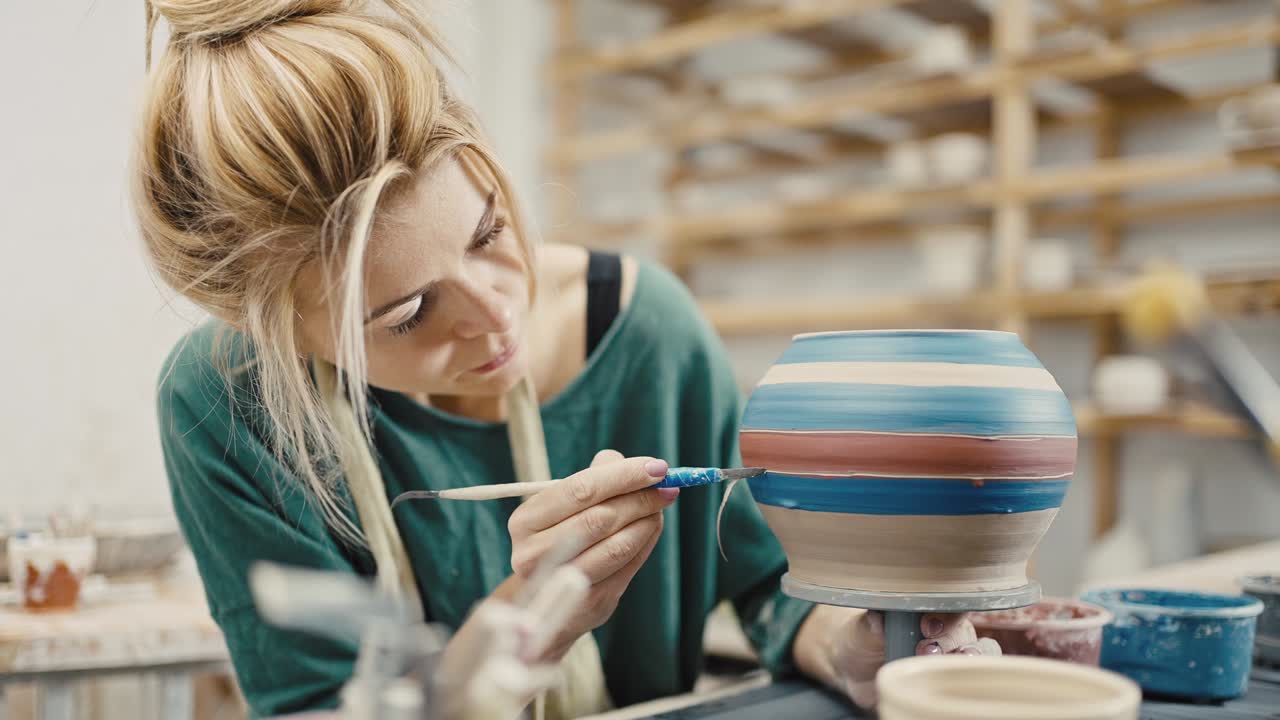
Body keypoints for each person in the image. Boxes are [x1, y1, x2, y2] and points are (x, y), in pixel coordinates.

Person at [135, 1, 999, 717]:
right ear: (278, 336)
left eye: (489, 232)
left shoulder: (649, 332)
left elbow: (770, 584)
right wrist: (524, 627)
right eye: (407, 314)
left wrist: (849, 648)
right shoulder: (224, 403)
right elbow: (313, 702)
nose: (495, 312)